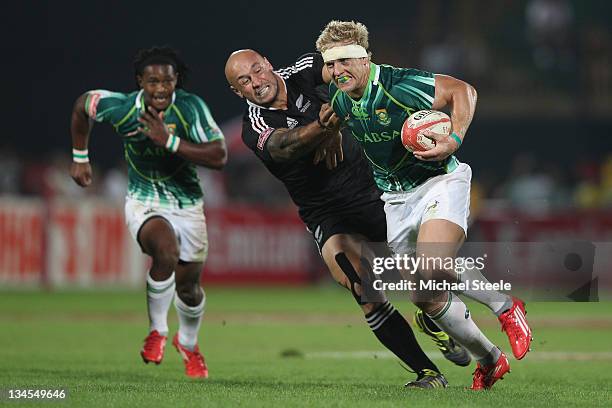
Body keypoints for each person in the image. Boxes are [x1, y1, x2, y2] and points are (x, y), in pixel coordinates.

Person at [225, 49, 470, 389]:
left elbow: (352, 74)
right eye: (244, 82)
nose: (256, 82)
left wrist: (338, 117)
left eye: (256, 70)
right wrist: (325, 128)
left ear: (267, 63)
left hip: (374, 192)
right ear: (239, 93)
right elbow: (284, 147)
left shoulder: (306, 68)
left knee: (428, 276)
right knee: (362, 287)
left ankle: (437, 321)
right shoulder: (254, 126)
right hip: (327, 212)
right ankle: (427, 373)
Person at [315, 20, 532, 390]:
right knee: (424, 297)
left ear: (366, 59)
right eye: (331, 64)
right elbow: (337, 115)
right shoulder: (340, 98)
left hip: (439, 182)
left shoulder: (401, 84)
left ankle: (506, 307)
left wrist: (456, 138)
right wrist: (328, 129)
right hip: (395, 200)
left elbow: (463, 91)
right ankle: (490, 360)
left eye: (346, 60)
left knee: (433, 263)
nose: (338, 71)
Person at [69, 46, 227, 379]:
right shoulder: (123, 108)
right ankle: (157, 331)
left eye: (167, 81)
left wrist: (168, 141)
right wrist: (80, 156)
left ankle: (189, 344)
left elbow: (219, 155)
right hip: (143, 201)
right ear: (140, 81)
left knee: (189, 289)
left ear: (176, 82)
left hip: (187, 204)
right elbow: (83, 105)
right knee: (165, 251)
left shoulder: (189, 108)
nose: (159, 88)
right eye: (152, 81)